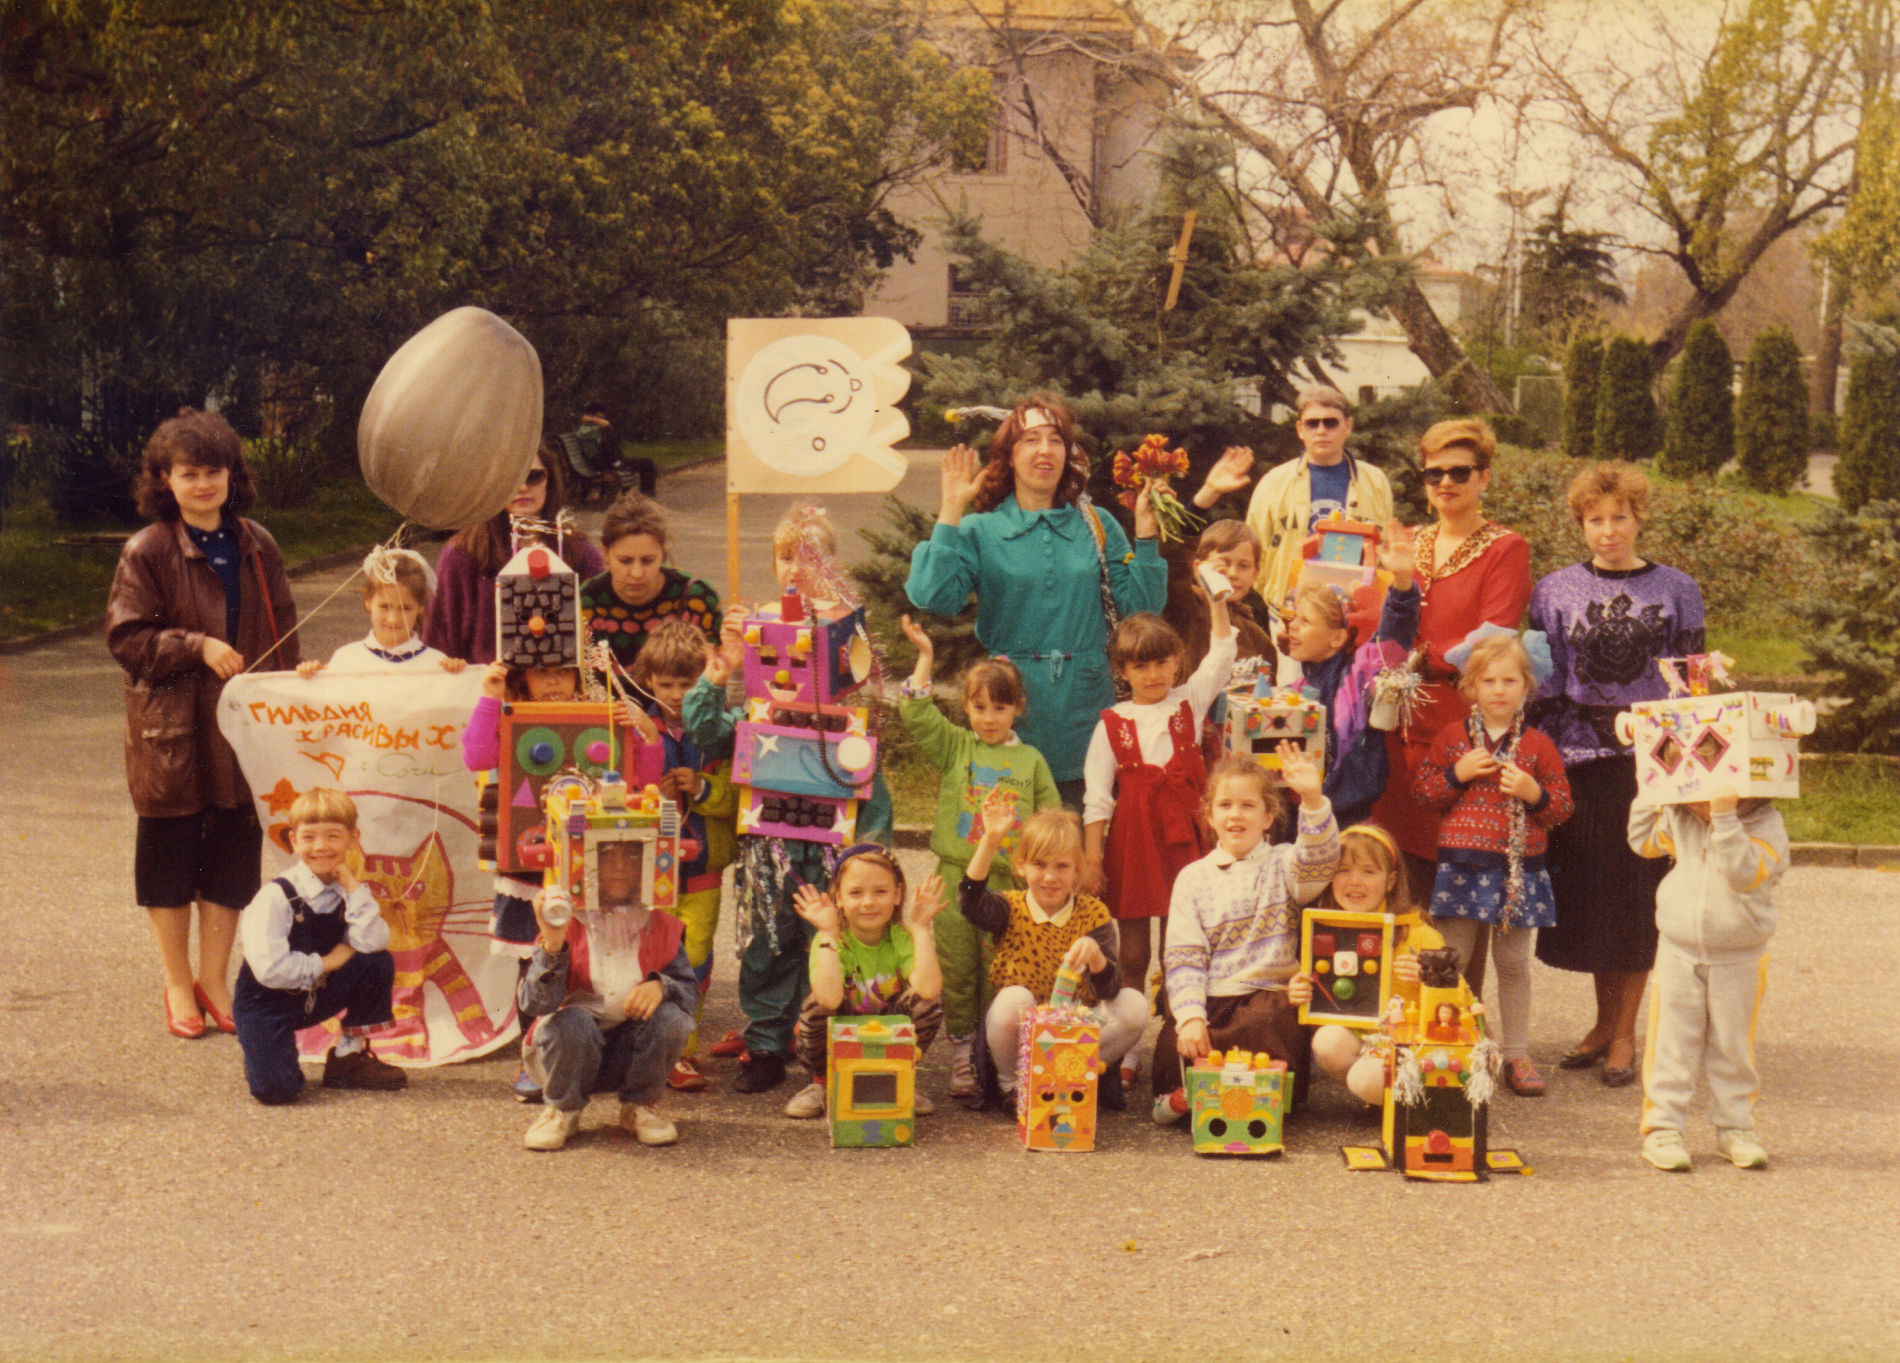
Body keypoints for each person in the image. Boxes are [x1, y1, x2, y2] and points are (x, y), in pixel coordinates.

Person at [107, 408, 300, 1040]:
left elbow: (284, 634)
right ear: (165, 479)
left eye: (213, 472)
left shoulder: (257, 543)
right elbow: (126, 638)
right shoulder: (148, 549)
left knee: (232, 857)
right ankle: (176, 982)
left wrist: (293, 693)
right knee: (168, 856)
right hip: (172, 733)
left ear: (231, 475)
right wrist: (197, 645)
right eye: (188, 473)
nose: (202, 485)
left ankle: (215, 980)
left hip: (242, 733)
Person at [682, 519, 893, 1095]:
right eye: (786, 557)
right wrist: (717, 674)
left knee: (828, 940)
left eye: (810, 555)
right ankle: (767, 1043)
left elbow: (868, 771)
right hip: (769, 841)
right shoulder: (759, 654)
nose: (796, 567)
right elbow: (707, 731)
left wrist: (872, 848)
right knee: (766, 943)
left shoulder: (846, 634)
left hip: (830, 839)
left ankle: (821, 1039)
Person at [1530, 463, 1706, 1088]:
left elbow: (1692, 681)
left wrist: (1688, 763)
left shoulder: (1678, 588)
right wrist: (1538, 757)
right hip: (1579, 759)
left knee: (1637, 896)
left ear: (1638, 519)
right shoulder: (1553, 590)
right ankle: (1604, 1023)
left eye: (1619, 518)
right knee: (1595, 897)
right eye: (1595, 520)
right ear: (1580, 524)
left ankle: (1626, 1033)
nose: (1608, 531)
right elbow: (1544, 683)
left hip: (1650, 763)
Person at [905, 395, 1166, 803]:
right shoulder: (981, 530)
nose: (1045, 450)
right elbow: (932, 596)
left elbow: (1142, 610)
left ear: (1068, 453)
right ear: (1009, 456)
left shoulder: (1097, 524)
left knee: (1084, 824)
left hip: (1087, 712)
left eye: (1055, 440)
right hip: (1010, 709)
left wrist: (1146, 536)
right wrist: (952, 510)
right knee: (1011, 831)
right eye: (1030, 439)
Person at [1369, 418, 1533, 993]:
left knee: (1460, 876)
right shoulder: (1408, 541)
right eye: (1433, 473)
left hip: (1462, 730)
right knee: (1401, 872)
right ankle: (1397, 1014)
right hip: (1398, 726)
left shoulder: (1505, 547)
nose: (1445, 482)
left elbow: (1493, 637)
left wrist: (1418, 657)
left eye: (1459, 472)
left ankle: (1460, 1014)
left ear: (1483, 477)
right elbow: (1376, 614)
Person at [895, 617, 1059, 1099]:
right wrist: (925, 657)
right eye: (979, 707)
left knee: (1001, 971)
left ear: (1017, 708)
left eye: (1000, 708)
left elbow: (1051, 823)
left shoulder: (1031, 761)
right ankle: (963, 1051)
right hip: (955, 880)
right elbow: (916, 713)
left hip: (1009, 888)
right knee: (957, 968)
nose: (988, 718)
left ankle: (996, 1054)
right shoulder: (956, 747)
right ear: (966, 706)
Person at [1413, 631, 1572, 1096]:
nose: (1499, 690)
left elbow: (1561, 808)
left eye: (1509, 680)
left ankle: (1517, 1053)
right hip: (1462, 868)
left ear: (1527, 687)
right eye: (1488, 681)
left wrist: (1533, 793)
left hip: (1517, 872)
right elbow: (1424, 794)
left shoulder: (1538, 745)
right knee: (1451, 960)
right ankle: (1449, 1043)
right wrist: (1456, 774)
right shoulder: (1452, 739)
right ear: (1471, 687)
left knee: (1514, 963)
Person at [1082, 602, 1236, 1085]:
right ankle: (1128, 1046)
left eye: (1161, 663)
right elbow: (1096, 798)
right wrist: (1092, 858)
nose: (1152, 675)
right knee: (1132, 954)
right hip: (1133, 842)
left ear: (1177, 661)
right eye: (1140, 666)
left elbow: (1223, 653)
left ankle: (1174, 1042)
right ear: (1122, 671)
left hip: (1184, 841)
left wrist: (1217, 604)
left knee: (1180, 949)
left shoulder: (1189, 702)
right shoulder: (1112, 723)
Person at [1152, 751, 1337, 1123]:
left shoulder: (1284, 863)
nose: (1235, 814)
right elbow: (1184, 956)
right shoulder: (1192, 877)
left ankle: (1256, 1096)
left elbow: (1319, 862)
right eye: (1225, 805)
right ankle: (1186, 1094)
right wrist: (1190, 1017)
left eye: (1248, 805)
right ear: (1209, 815)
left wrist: (1313, 800)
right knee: (1179, 1041)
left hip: (1265, 997)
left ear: (1268, 817)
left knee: (1268, 1022)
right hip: (1211, 998)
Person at [1629, 790, 1786, 1172]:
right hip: (1678, 949)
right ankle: (1663, 1127)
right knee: (1671, 1043)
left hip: (1740, 955)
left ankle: (1735, 1127)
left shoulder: (1767, 824)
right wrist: (1650, 789)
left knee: (1732, 1047)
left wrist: (1725, 818)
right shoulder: (1682, 817)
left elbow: (1743, 873)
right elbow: (1642, 841)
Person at [958, 795, 1148, 1109]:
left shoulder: (1093, 914)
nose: (1050, 877)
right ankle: (1013, 1086)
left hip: (1074, 1032)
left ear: (1077, 871)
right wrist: (990, 841)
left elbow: (1110, 990)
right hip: (1020, 1034)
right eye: (1040, 864)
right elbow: (969, 900)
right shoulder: (1010, 908)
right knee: (1012, 999)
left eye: (1062, 866)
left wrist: (1097, 959)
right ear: (1021, 865)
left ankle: (1072, 1076)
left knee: (1134, 1005)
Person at [231, 788, 405, 1104]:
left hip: (314, 995)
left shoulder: (347, 890)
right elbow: (270, 970)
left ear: (353, 838)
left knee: (376, 962)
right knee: (277, 1090)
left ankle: (347, 1058)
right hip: (267, 1004)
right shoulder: (275, 897)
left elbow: (374, 941)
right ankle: (264, 1051)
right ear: (294, 841)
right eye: (309, 838)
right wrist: (328, 962)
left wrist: (353, 887)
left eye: (333, 836)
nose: (321, 847)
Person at [626, 620, 738, 1091]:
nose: (675, 695)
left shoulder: (719, 731)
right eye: (665, 684)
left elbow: (738, 796)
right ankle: (647, 1043)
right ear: (648, 680)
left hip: (703, 866)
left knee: (695, 958)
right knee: (648, 955)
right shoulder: (638, 727)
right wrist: (655, 794)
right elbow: (624, 790)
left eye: (686, 684)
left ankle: (682, 1049)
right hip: (650, 866)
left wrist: (704, 788)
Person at [517, 872, 696, 1151]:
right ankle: (562, 1109)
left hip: (629, 1056)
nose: (620, 867)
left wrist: (661, 985)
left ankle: (639, 1105)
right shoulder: (566, 922)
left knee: (671, 1019)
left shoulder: (657, 924)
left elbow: (690, 992)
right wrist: (553, 945)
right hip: (567, 1055)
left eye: (630, 857)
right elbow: (534, 1004)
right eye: (608, 858)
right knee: (573, 1020)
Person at [783, 847, 946, 1119]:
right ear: (838, 898)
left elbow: (929, 990)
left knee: (927, 1002)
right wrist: (828, 933)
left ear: (897, 895)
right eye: (856, 893)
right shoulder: (831, 939)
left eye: (880, 891)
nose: (868, 902)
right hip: (839, 1036)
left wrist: (920, 928)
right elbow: (828, 999)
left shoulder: (900, 937)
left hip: (884, 1037)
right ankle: (822, 1084)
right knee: (816, 1003)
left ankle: (897, 1076)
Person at [1287, 824, 1440, 1103]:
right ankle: (1385, 1098)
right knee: (1326, 1043)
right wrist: (1300, 990)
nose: (1355, 881)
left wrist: (1431, 980)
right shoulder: (1325, 928)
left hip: (1412, 1042)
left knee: (1366, 1080)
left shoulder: (1420, 935)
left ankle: (1410, 1102)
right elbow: (1320, 987)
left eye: (1369, 872)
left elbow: (1458, 999)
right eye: (1343, 870)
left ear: (1390, 881)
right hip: (1366, 1038)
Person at [1282, 527, 1421, 829]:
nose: (1292, 626)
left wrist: (1401, 583)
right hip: (1297, 819)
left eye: (1305, 621)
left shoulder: (1355, 680)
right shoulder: (1290, 691)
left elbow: (1389, 643)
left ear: (1337, 638)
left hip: (1349, 820)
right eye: (1293, 618)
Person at [422, 440, 604, 665]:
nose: (522, 487)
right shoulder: (462, 554)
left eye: (533, 476)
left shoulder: (580, 551)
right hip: (486, 683)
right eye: (510, 479)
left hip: (561, 681)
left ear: (549, 479)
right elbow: (439, 644)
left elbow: (601, 636)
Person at [1242, 387, 1395, 616]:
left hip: (1352, 609)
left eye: (1330, 423)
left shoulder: (1375, 481)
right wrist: (1275, 594)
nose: (1321, 431)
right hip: (1289, 610)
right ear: (1300, 429)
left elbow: (1384, 544)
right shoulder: (1273, 482)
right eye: (1312, 423)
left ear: (1348, 426)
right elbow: (1254, 547)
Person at [581, 490, 721, 683]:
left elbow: (714, 679)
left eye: (648, 560)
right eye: (625, 561)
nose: (637, 573)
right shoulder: (585, 602)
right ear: (604, 553)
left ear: (662, 553)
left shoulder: (696, 599)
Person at [296, 548, 466, 677]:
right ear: (368, 601)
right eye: (384, 606)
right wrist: (311, 677)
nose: (393, 619)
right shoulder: (346, 658)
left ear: (421, 607)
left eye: (405, 608)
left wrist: (458, 675)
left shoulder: (436, 663)